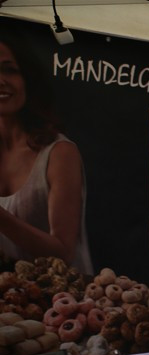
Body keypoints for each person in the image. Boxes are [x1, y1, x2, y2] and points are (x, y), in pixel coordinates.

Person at [0, 31, 92, 275]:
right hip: (11, 304)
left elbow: (63, 252)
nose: (1, 80)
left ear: (27, 79)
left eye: (9, 69)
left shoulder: (59, 153)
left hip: (64, 304)